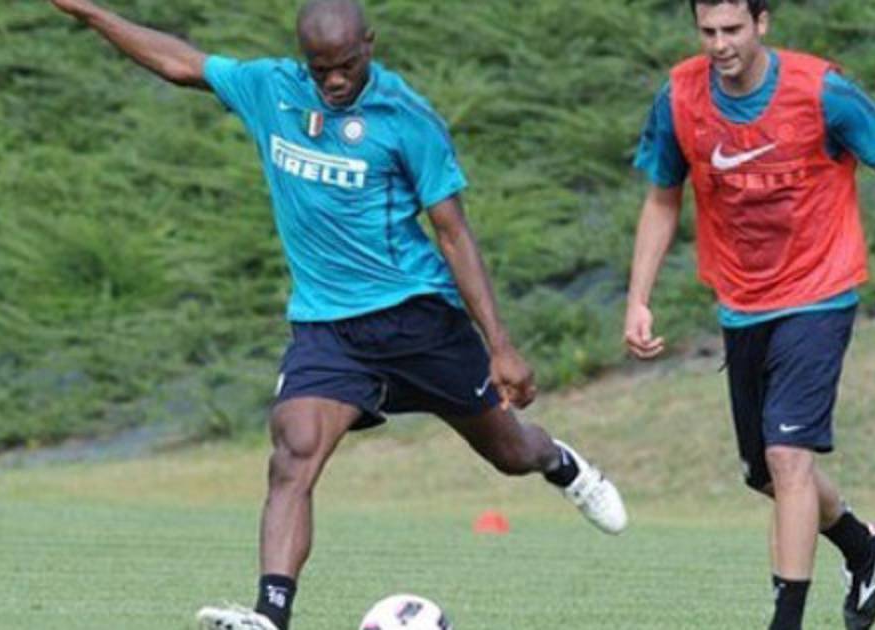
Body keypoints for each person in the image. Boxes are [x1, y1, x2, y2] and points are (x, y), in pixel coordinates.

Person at [47, 1, 629, 629]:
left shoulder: (406, 118)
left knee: (511, 452)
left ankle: (563, 465)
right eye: (319, 68)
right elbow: (180, 62)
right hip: (329, 329)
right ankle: (270, 616)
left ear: (369, 45)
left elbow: (453, 234)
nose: (333, 80)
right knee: (292, 453)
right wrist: (90, 12)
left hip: (418, 319)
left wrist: (501, 345)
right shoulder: (272, 90)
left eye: (346, 65)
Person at [624, 1, 875, 629]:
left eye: (733, 29)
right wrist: (638, 297)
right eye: (708, 31)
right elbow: (662, 197)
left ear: (762, 23)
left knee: (788, 458)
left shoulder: (821, 92)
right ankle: (863, 545)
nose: (720, 44)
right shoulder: (680, 98)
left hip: (819, 293)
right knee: (766, 473)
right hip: (741, 303)